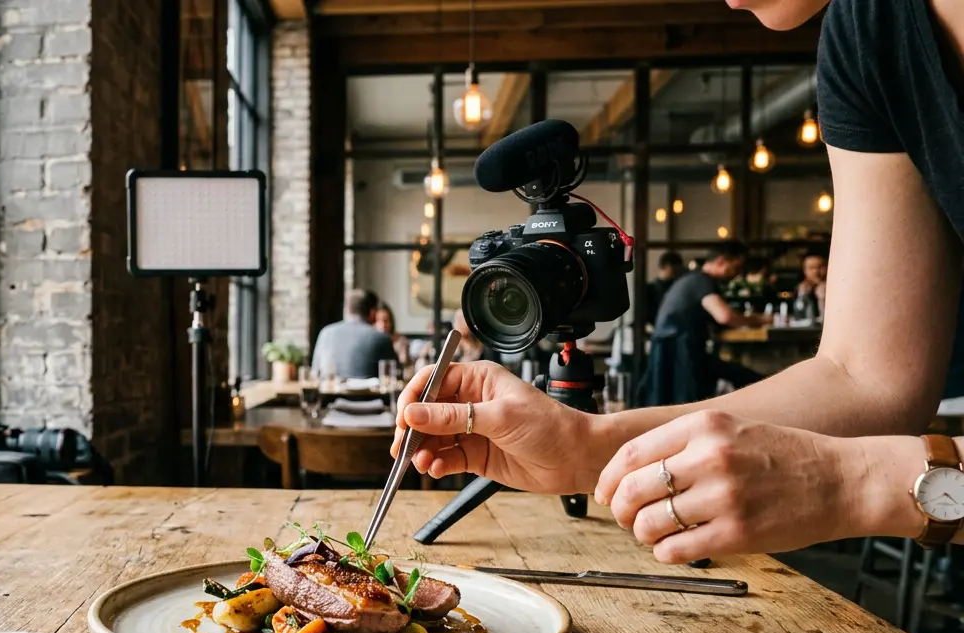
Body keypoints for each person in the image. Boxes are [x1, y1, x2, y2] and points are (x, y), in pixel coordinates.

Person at [387, 0, 964, 563]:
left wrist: (857, 484)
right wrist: (583, 448)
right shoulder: (864, 33)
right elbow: (865, 384)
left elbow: (868, 417)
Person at [641, 242, 767, 406]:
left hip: (673, 349)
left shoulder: (693, 279)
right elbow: (724, 316)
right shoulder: (701, 280)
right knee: (743, 379)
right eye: (735, 267)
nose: (735, 274)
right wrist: (759, 320)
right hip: (678, 351)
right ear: (721, 261)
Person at [309, 289, 398, 379]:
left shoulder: (325, 333)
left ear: (347, 310)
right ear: (372, 313)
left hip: (327, 392)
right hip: (369, 393)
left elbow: (314, 373)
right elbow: (395, 376)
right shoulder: (382, 338)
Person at [644, 251, 687, 328]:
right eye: (675, 269)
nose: (677, 272)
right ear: (667, 266)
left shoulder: (677, 286)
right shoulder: (650, 289)